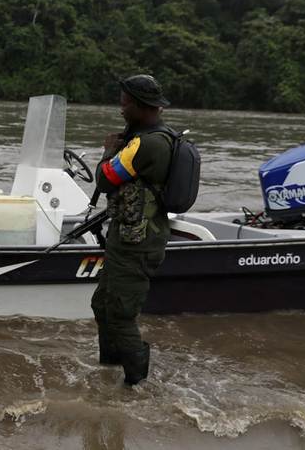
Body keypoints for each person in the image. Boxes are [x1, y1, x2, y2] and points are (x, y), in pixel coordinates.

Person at [91, 74, 174, 386]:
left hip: (136, 243)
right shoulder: (153, 138)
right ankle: (109, 369)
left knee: (121, 314)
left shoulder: (146, 145)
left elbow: (104, 179)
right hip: (129, 238)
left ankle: (136, 387)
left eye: (125, 104)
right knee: (102, 304)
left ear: (141, 106)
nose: (121, 109)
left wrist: (108, 150)